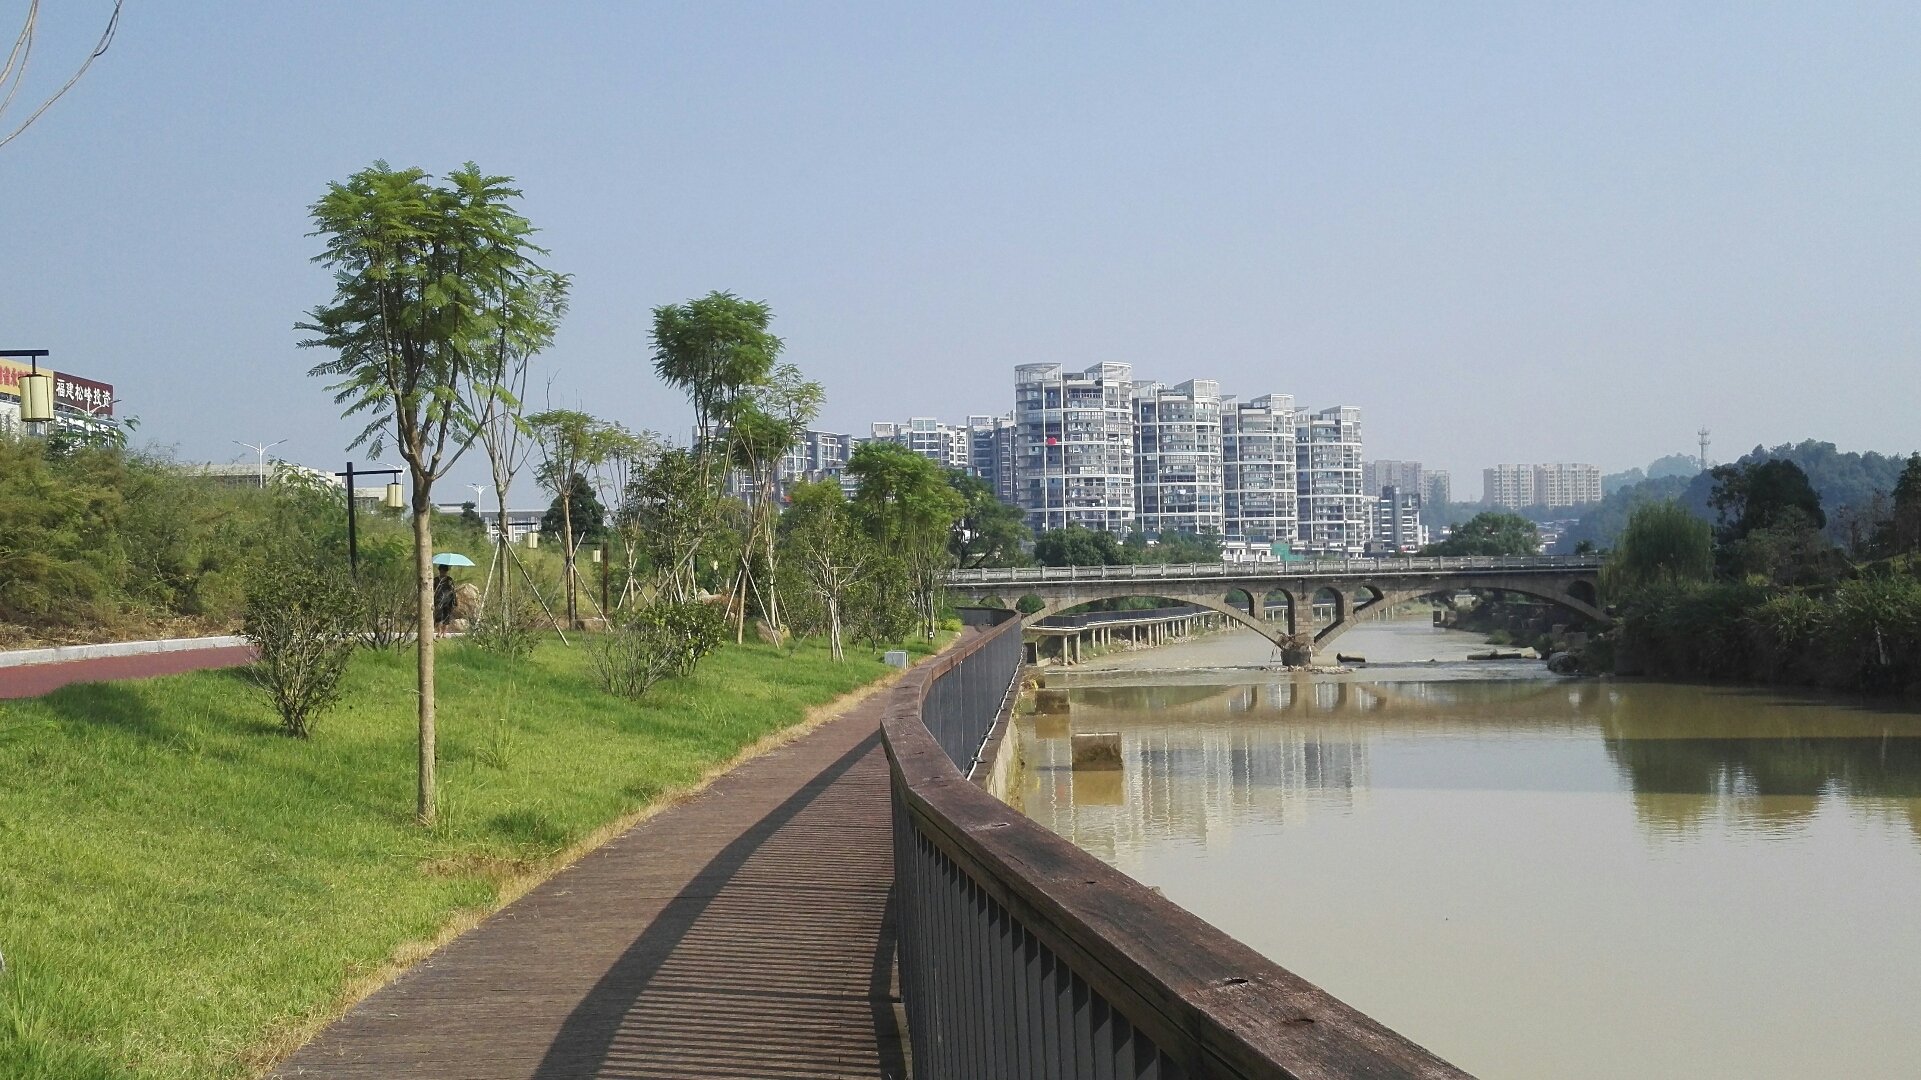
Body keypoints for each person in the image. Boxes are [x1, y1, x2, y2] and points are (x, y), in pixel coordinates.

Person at [434, 564, 457, 636]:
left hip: (448, 601)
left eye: (444, 571)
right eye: (441, 571)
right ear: (439, 571)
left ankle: (444, 633)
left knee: (447, 617)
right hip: (438, 600)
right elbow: (433, 589)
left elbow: (453, 591)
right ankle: (439, 632)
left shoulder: (449, 580)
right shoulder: (436, 580)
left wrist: (454, 601)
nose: (442, 572)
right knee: (438, 617)